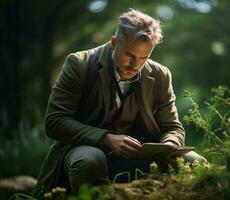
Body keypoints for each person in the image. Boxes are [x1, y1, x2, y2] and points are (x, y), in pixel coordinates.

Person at [33, 8, 206, 198]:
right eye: (130, 55)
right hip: (87, 149)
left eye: (144, 58)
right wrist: (105, 138)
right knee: (89, 160)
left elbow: (172, 127)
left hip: (143, 156)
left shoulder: (161, 74)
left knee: (197, 163)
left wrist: (168, 147)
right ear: (114, 43)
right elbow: (54, 122)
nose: (135, 65)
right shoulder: (79, 64)